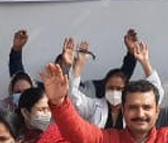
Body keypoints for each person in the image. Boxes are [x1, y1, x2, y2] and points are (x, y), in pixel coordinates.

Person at [10, 28, 139, 99]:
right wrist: (17, 50)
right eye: (63, 65)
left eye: (70, 65)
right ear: (54, 70)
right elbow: (19, 78)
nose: (66, 69)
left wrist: (131, 54)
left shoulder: (90, 88)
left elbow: (121, 79)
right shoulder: (43, 89)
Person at [67, 37, 166, 129]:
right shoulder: (94, 107)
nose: (114, 92)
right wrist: (79, 66)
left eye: (119, 89)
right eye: (111, 88)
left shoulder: (134, 108)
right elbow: (72, 97)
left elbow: (156, 95)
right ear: (104, 89)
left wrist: (145, 62)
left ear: (126, 90)